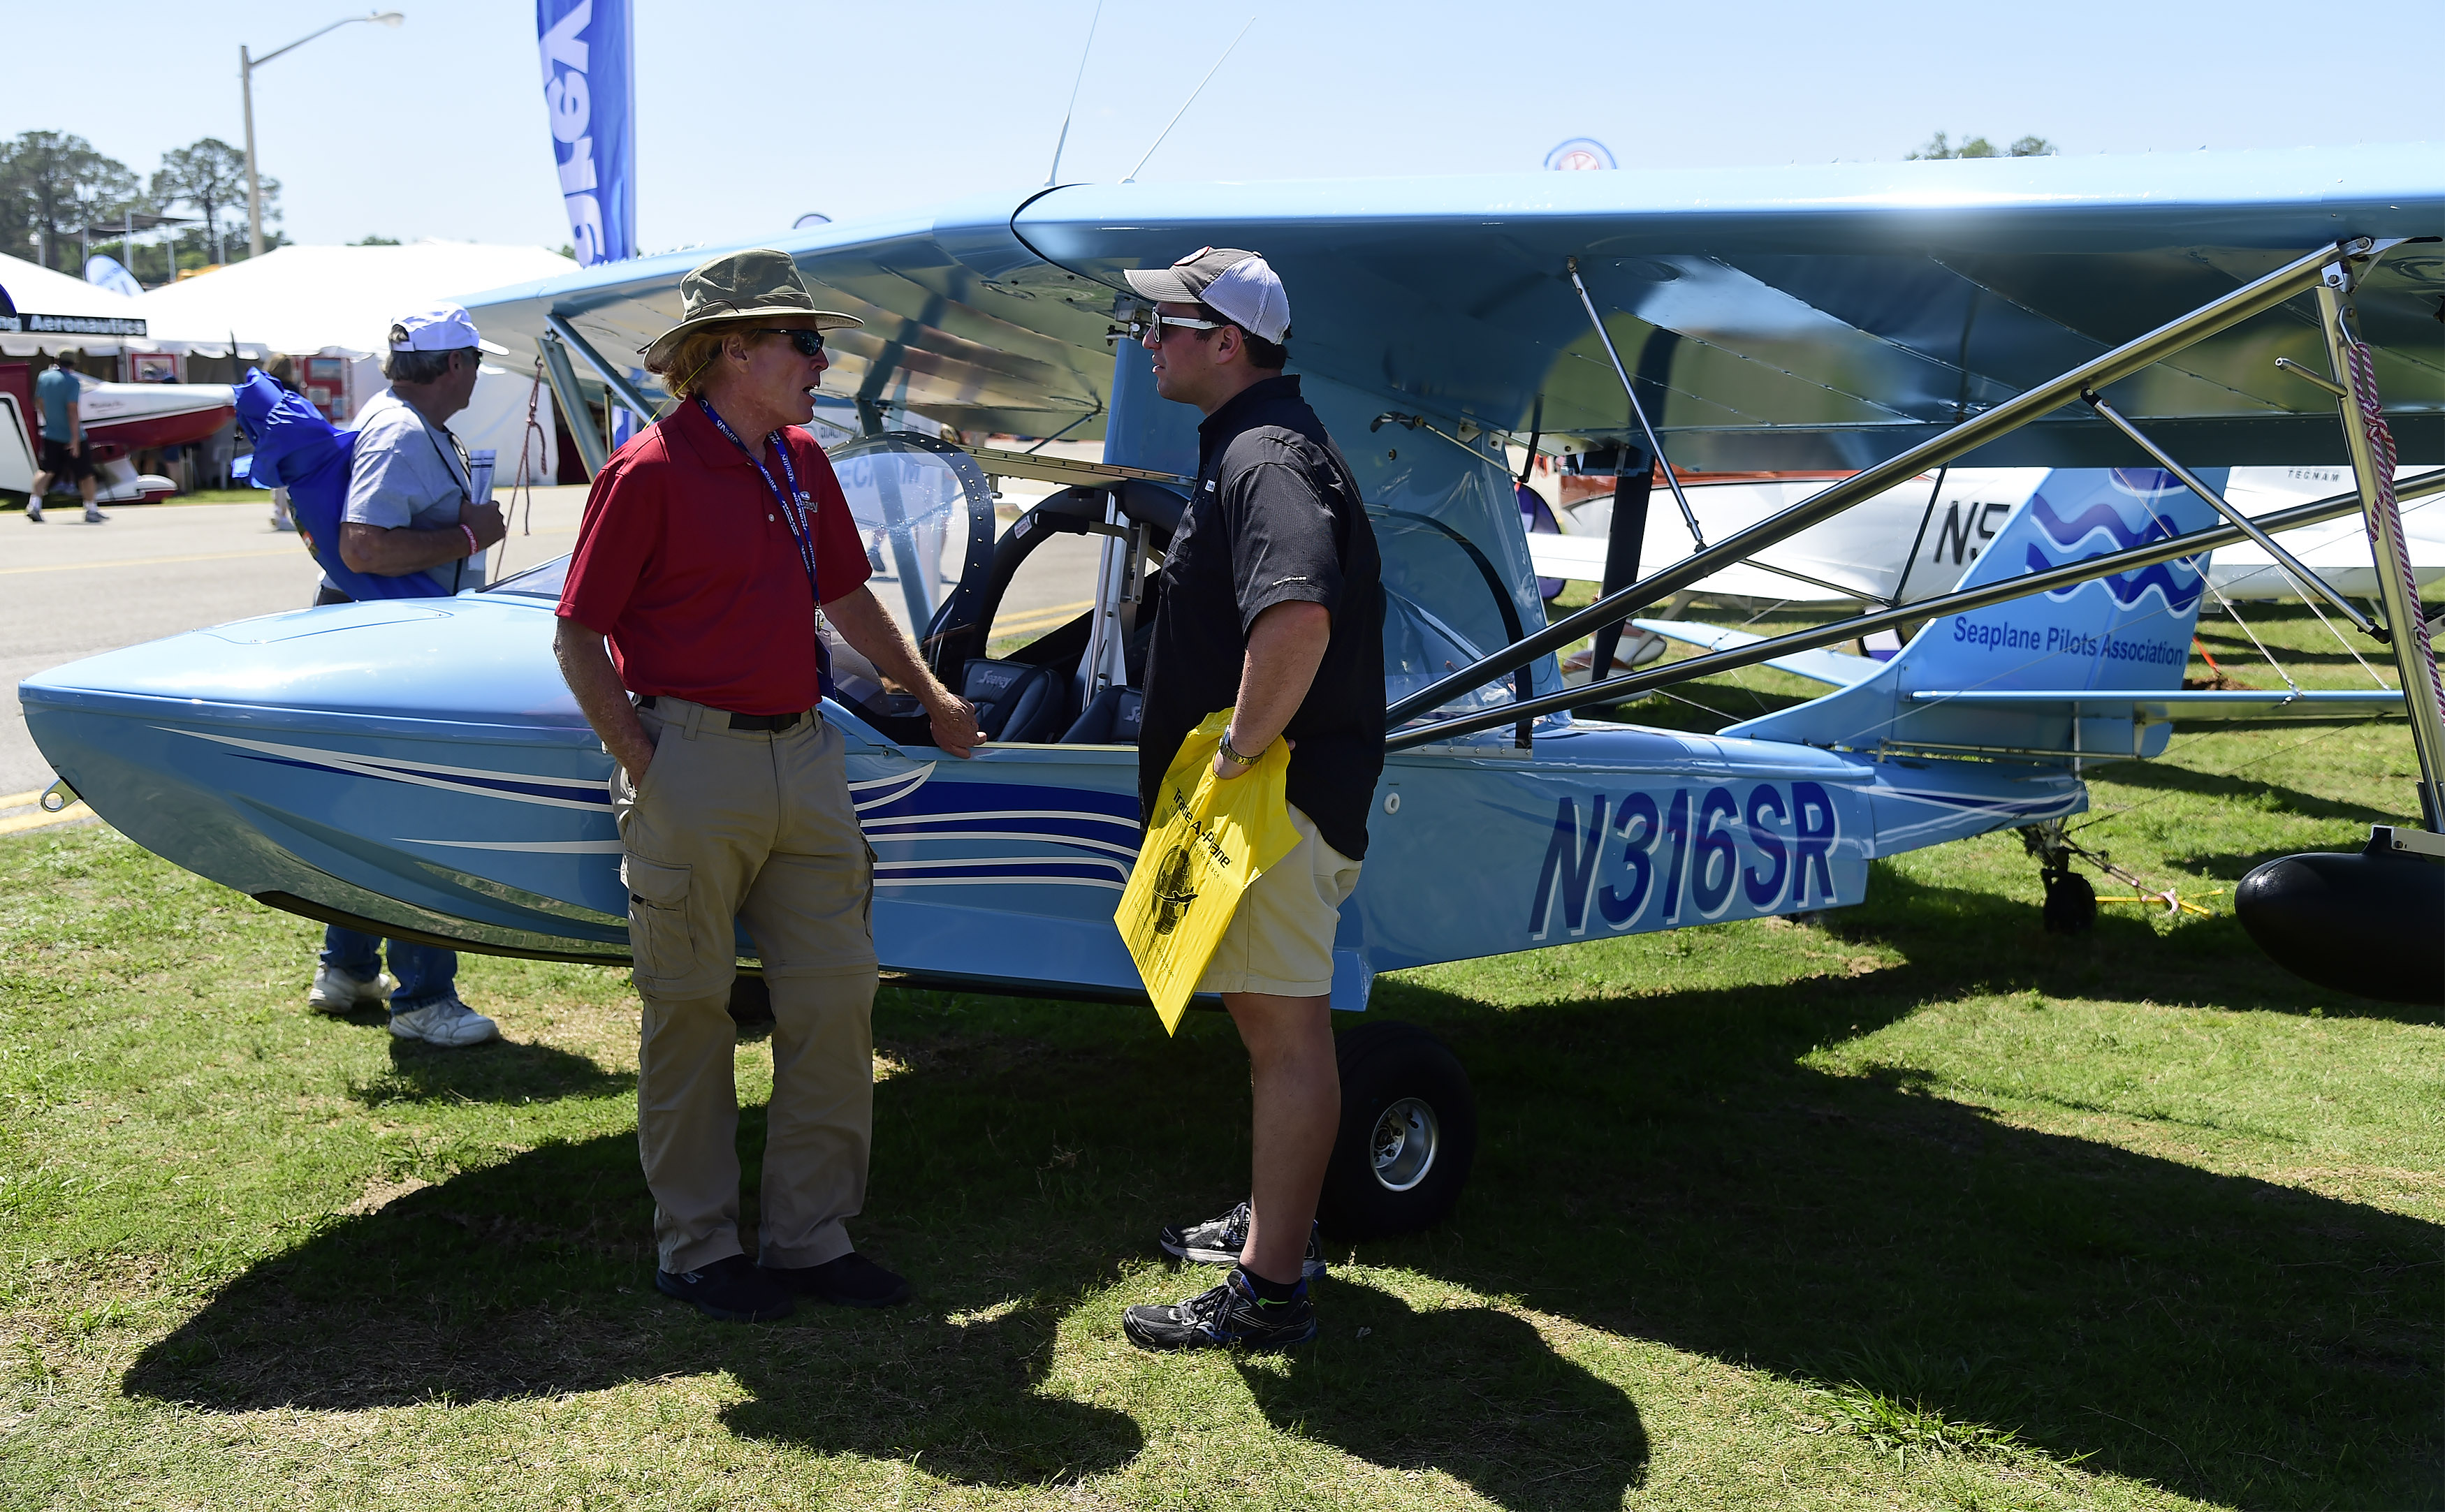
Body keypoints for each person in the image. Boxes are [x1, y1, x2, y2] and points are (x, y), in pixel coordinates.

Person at [553, 248, 985, 1324]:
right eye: (801, 342)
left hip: (805, 756)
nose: (820, 358)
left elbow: (843, 590)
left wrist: (926, 690)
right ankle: (697, 1250)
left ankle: (809, 1239)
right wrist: (648, 765)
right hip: (692, 762)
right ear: (731, 352)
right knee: (691, 1012)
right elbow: (577, 636)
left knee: (839, 996)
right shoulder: (645, 471)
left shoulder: (798, 457)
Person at [1115, 249, 1385, 1352]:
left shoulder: (1263, 455)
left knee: (1284, 1038)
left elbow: (1299, 619)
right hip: (1273, 795)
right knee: (1275, 1028)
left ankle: (1271, 1289)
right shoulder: (1256, 441)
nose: (1149, 342)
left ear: (1226, 343)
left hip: (1272, 801)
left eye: (1166, 325)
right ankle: (1278, 1225)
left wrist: (1234, 753)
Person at [302, 307, 511, 1048]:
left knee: (362, 807)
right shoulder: (398, 430)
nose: (478, 376)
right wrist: (467, 534)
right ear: (452, 366)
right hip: (388, 644)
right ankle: (424, 998)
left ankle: (349, 967)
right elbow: (363, 545)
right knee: (414, 809)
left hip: (366, 636)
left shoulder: (391, 418)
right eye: (475, 364)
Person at [27, 351, 104, 524]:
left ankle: (34, 505)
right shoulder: (72, 382)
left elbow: (39, 402)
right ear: (74, 363)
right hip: (72, 435)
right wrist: (75, 439)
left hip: (51, 433)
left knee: (46, 470)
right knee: (86, 474)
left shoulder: (44, 377)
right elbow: (72, 410)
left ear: (56, 360)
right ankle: (91, 509)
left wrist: (50, 421)